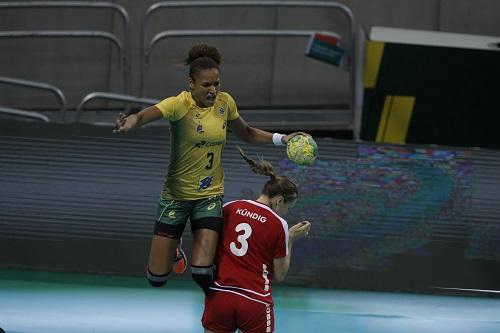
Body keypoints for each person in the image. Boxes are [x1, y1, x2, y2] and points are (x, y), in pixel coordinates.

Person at [114, 43, 303, 293]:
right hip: (176, 197)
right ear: (191, 83)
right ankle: (175, 249)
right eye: (206, 85)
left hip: (209, 196)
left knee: (203, 272)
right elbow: (143, 116)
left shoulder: (225, 104)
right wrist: (129, 122)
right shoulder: (177, 104)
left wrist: (282, 138)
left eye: (217, 84)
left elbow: (246, 132)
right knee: (156, 278)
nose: (213, 90)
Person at [202, 148, 311, 333]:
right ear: (278, 201)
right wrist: (290, 238)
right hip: (254, 300)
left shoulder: (230, 208)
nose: (286, 212)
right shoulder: (279, 224)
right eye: (288, 207)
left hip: (220, 294)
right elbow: (279, 274)